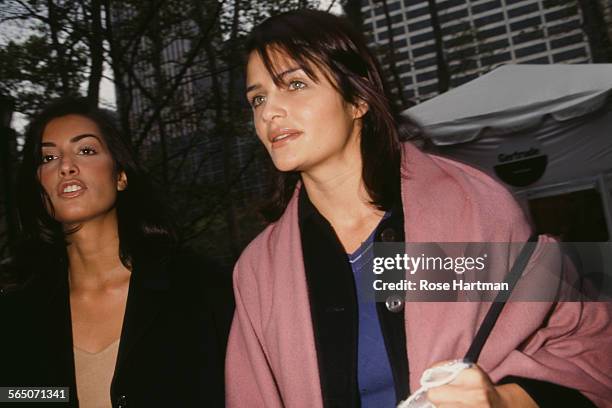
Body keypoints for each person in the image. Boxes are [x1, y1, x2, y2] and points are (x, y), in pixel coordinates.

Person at [225, 9, 612, 408]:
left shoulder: (469, 212)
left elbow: (586, 350)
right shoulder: (260, 272)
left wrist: (504, 400)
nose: (269, 112)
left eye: (295, 84)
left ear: (357, 98)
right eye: (258, 98)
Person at [0, 97, 232, 407]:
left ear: (120, 176)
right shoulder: (17, 313)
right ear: (39, 187)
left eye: (86, 150)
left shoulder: (199, 288)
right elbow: (17, 398)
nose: (65, 166)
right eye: (48, 158)